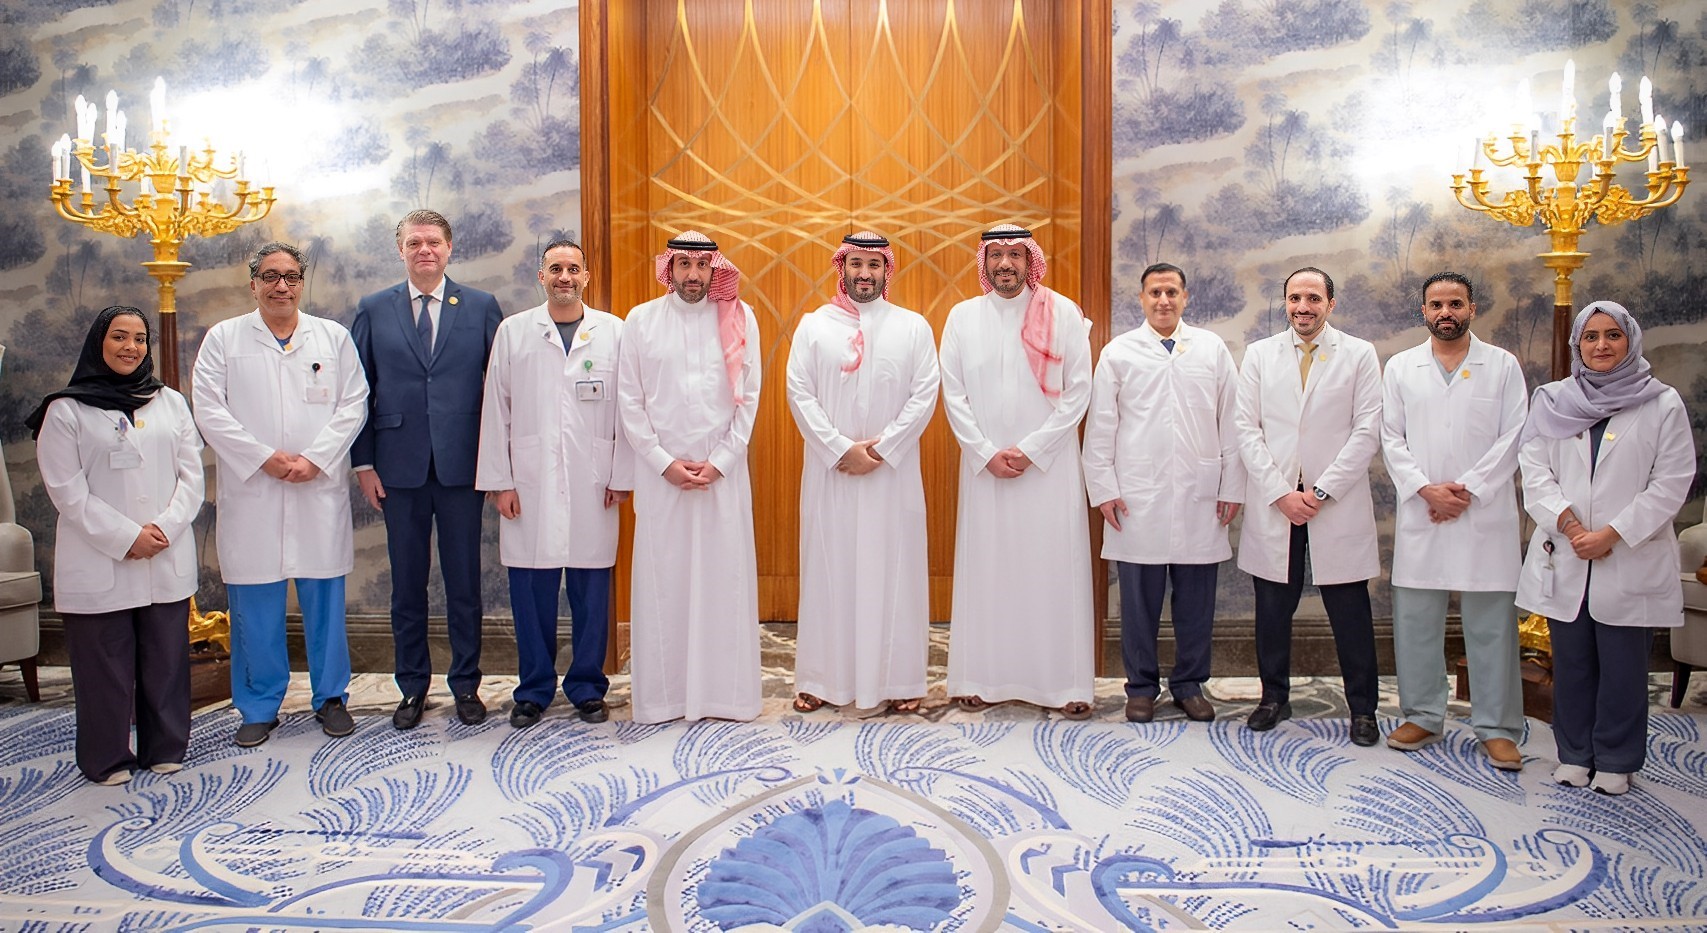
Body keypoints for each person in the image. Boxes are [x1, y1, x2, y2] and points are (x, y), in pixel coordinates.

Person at [192, 243, 369, 748]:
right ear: (254, 284)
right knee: (255, 604)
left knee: (325, 602)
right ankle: (258, 704)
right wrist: (263, 458)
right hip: (255, 490)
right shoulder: (224, 338)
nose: (281, 286)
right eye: (270, 277)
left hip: (317, 487)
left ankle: (330, 697)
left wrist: (316, 458)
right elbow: (209, 409)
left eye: (291, 277)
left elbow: (354, 403)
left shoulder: (331, 337)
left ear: (301, 284)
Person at [1516, 301, 1694, 796]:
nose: (1601, 345)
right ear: (1577, 345)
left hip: (1628, 553)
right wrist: (1573, 528)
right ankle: (1575, 754)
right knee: (1572, 664)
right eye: (1590, 337)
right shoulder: (1552, 399)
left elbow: (1672, 481)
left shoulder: (1662, 403)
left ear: (1630, 341)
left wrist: (1610, 534)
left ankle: (1616, 759)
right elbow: (1535, 472)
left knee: (1623, 668)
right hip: (1567, 549)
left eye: (1612, 335)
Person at [29, 306, 203, 784]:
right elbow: (67, 492)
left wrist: (163, 529)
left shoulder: (170, 402)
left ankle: (165, 746)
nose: (131, 347)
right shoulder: (65, 410)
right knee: (103, 666)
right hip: (98, 556)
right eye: (119, 337)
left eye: (140, 338)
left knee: (166, 660)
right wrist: (127, 538)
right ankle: (106, 757)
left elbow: (192, 476)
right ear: (98, 343)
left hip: (165, 550)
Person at [351, 210, 504, 729]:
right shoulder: (374, 308)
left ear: (449, 248)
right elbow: (358, 392)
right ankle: (412, 687)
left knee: (464, 584)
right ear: (401, 250)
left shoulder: (481, 306)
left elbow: (499, 391)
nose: (425, 250)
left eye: (433, 242)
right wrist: (363, 463)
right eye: (414, 242)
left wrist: (497, 465)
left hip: (463, 467)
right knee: (407, 586)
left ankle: (466, 685)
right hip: (398, 469)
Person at [940, 223, 1095, 719]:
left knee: (1053, 571)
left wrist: (1032, 449)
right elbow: (953, 394)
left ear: (1030, 261)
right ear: (984, 262)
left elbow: (1079, 391)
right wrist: (984, 452)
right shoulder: (963, 318)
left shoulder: (1063, 313)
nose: (1005, 263)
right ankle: (978, 678)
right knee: (988, 571)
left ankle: (1065, 684)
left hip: (1048, 470)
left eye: (1015, 254)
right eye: (996, 255)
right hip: (985, 470)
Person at [476, 240, 631, 728]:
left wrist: (622, 475)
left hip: (594, 478)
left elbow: (628, 409)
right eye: (555, 268)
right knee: (531, 589)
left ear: (587, 276)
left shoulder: (614, 332)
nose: (565, 276)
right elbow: (495, 408)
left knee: (592, 589)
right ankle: (533, 689)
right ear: (541, 276)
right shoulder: (514, 331)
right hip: (529, 481)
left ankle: (587, 687)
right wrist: (500, 481)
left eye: (573, 269)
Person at [786, 232, 940, 715]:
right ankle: (821, 678)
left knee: (895, 574)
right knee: (828, 572)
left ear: (886, 270)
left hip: (891, 477)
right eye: (856, 264)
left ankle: (900, 680)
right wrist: (839, 449)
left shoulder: (912, 327)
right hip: (831, 475)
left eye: (874, 265)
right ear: (843, 268)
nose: (865, 273)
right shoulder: (814, 325)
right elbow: (799, 393)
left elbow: (925, 394)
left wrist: (881, 450)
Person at [1082, 262, 1243, 724]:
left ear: (1185, 297)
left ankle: (1189, 684)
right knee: (1138, 603)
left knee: (1196, 603)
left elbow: (1231, 420)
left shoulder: (1211, 349)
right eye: (1155, 292)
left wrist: (1232, 485)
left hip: (1200, 493)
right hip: (1138, 495)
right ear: (1141, 299)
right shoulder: (1118, 353)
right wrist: (1104, 489)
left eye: (1172, 291)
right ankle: (1140, 688)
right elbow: (1101, 427)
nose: (1163, 300)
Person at [1380, 272, 1528, 770]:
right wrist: (1426, 489)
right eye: (1437, 304)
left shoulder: (1502, 365)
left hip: (1482, 510)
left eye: (1455, 304)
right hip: (1423, 509)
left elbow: (1515, 435)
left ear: (1472, 308)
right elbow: (1390, 437)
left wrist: (1467, 490)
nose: (1446, 312)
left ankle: (1498, 727)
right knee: (1416, 621)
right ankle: (1423, 714)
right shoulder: (1402, 367)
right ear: (1424, 311)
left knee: (1491, 626)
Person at [616, 231, 762, 723]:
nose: (693, 274)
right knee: (665, 585)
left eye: (702, 265)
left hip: (724, 477)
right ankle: (664, 698)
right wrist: (663, 462)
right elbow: (630, 401)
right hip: (662, 480)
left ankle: (726, 697)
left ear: (714, 269)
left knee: (724, 583)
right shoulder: (641, 320)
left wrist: (723, 459)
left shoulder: (741, 317)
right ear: (670, 269)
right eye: (684, 264)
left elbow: (750, 397)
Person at [1235, 266, 1383, 746]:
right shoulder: (1259, 355)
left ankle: (1363, 709)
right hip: (1277, 501)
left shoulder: (1359, 354)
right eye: (1295, 298)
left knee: (1350, 611)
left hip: (1333, 503)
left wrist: (1322, 491)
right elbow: (1246, 429)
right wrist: (1280, 492)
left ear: (1330, 304)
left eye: (1313, 298)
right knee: (1272, 610)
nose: (1303, 307)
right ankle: (1273, 697)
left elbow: (1367, 430)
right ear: (1286, 303)